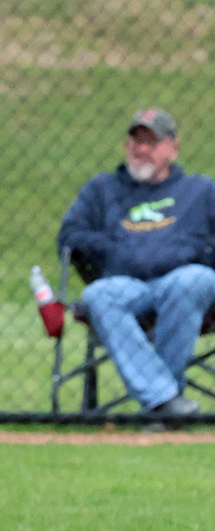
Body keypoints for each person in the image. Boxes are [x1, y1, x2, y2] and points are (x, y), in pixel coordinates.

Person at [58, 108, 215, 418]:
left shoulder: (201, 191)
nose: (142, 150)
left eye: (151, 142)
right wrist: (113, 250)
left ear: (172, 148)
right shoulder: (102, 190)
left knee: (191, 280)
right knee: (98, 296)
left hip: (183, 283)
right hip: (127, 285)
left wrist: (190, 251)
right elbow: (69, 236)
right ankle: (165, 400)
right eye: (135, 141)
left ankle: (161, 401)